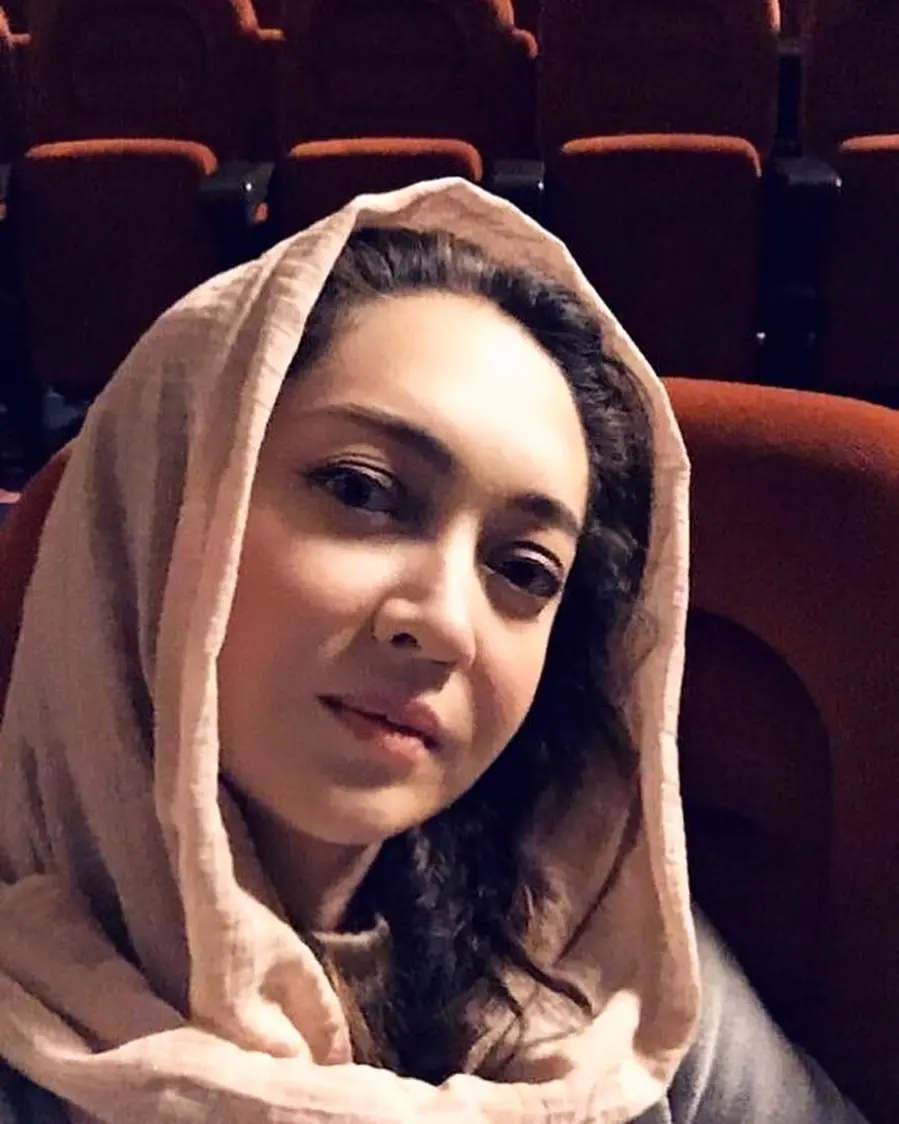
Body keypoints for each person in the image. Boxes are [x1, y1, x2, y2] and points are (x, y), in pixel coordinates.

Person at [0, 179, 868, 1123]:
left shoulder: (591, 968)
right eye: (361, 490)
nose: (447, 623)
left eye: (524, 569)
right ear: (156, 515)